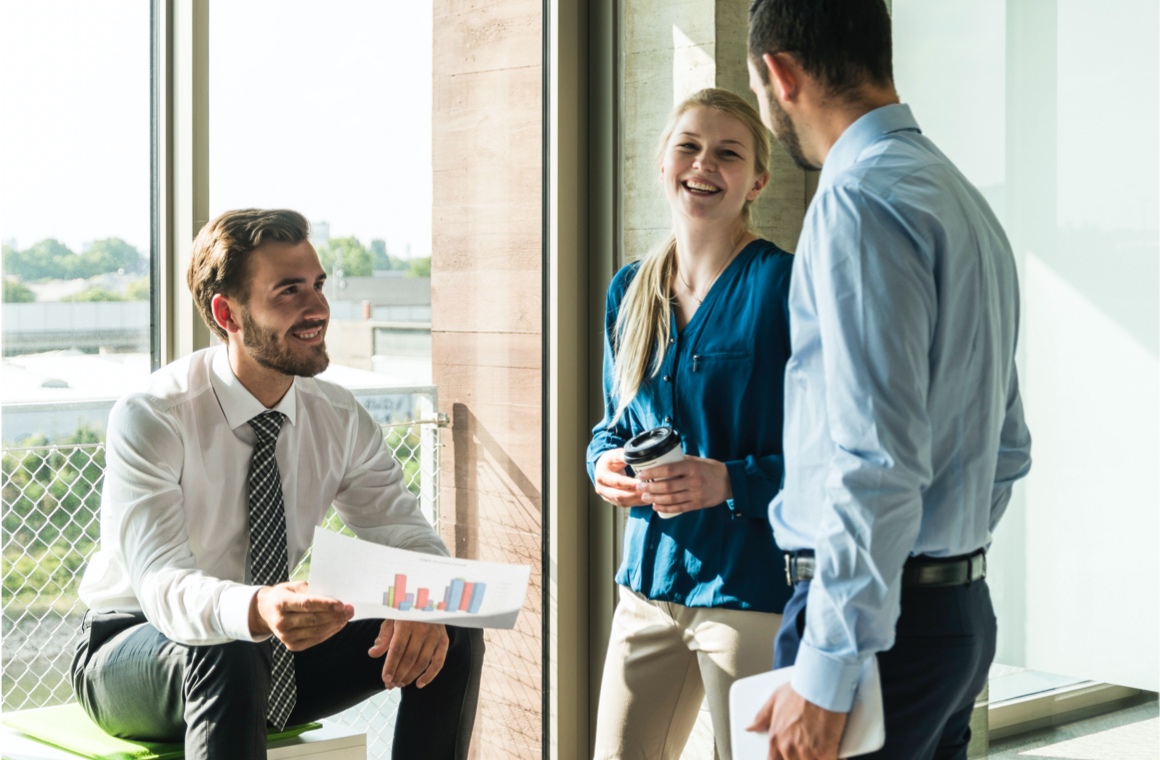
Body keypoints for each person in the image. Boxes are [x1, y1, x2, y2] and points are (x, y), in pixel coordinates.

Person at [71, 209, 484, 760]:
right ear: (228, 313)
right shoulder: (153, 415)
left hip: (269, 655)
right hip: (134, 652)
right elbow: (162, 586)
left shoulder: (338, 416)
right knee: (230, 642)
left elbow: (409, 538)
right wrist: (256, 608)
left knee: (448, 629)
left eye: (317, 285)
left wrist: (423, 600)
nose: (318, 308)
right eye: (289, 291)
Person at [744, 1, 1033, 758]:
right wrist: (943, 565)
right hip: (954, 617)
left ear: (780, 74)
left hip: (874, 635)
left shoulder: (859, 198)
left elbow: (873, 459)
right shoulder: (962, 200)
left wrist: (831, 665)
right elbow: (1007, 449)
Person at [587, 88, 795, 760]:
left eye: (728, 152)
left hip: (751, 589)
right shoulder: (629, 290)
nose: (704, 164)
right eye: (690, 146)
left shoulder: (785, 286)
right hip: (645, 588)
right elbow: (613, 424)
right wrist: (603, 465)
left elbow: (833, 452)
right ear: (662, 162)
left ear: (756, 180)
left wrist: (728, 480)